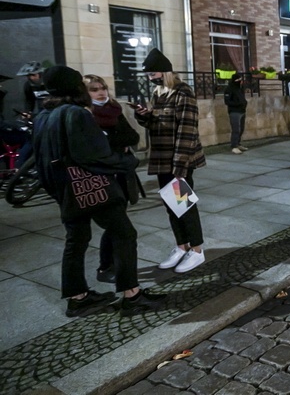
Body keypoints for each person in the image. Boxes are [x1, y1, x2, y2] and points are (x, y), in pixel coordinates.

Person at [32, 66, 165, 317]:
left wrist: (57, 191)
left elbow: (40, 160)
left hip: (66, 190)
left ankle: (77, 297)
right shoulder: (76, 114)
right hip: (92, 189)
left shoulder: (43, 115)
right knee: (124, 234)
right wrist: (128, 163)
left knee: (76, 241)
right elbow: (95, 156)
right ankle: (132, 295)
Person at [134, 49, 207, 273]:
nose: (149, 78)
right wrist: (144, 115)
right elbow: (157, 124)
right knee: (170, 206)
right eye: (147, 75)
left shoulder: (183, 92)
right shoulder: (160, 93)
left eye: (152, 73)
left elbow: (187, 130)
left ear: (165, 72)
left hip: (179, 159)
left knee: (184, 206)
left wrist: (180, 166)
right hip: (161, 158)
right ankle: (181, 246)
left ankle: (196, 250)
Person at [83, 74, 142, 285]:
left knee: (118, 224)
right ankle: (106, 266)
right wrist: (118, 144)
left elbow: (133, 137)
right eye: (94, 89)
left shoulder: (114, 109)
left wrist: (114, 141)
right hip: (102, 178)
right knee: (116, 226)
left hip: (122, 176)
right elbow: (98, 148)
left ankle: (113, 266)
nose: (101, 92)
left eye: (103, 88)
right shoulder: (85, 115)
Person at [223, 74, 248, 154]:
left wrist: (244, 103)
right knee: (236, 129)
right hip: (234, 112)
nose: (241, 82)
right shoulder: (229, 89)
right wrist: (238, 103)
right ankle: (234, 146)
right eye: (239, 80)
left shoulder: (240, 89)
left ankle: (238, 143)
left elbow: (242, 98)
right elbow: (227, 101)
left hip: (242, 111)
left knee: (241, 129)